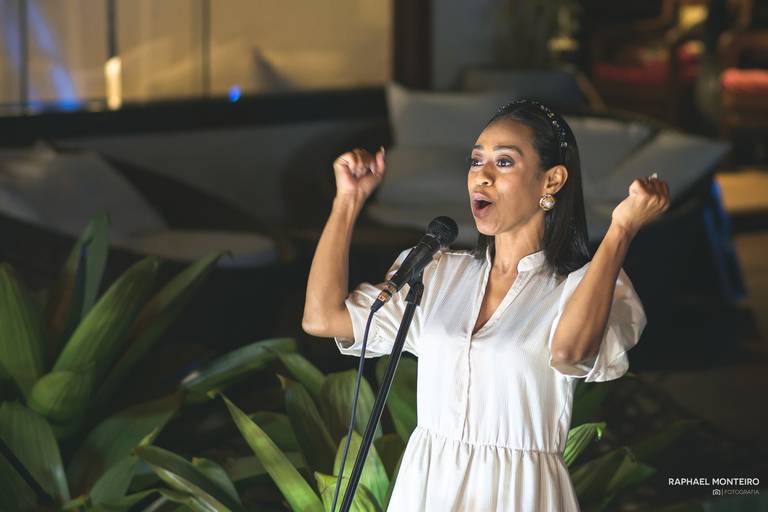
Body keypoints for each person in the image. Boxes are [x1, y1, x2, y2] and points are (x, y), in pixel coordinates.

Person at [302, 99, 670, 511]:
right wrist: (348, 201)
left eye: (505, 162)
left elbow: (570, 353)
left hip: (517, 495)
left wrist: (621, 230)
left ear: (551, 180)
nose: (483, 177)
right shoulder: (438, 273)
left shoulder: (584, 286)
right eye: (476, 162)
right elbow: (323, 317)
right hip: (428, 488)